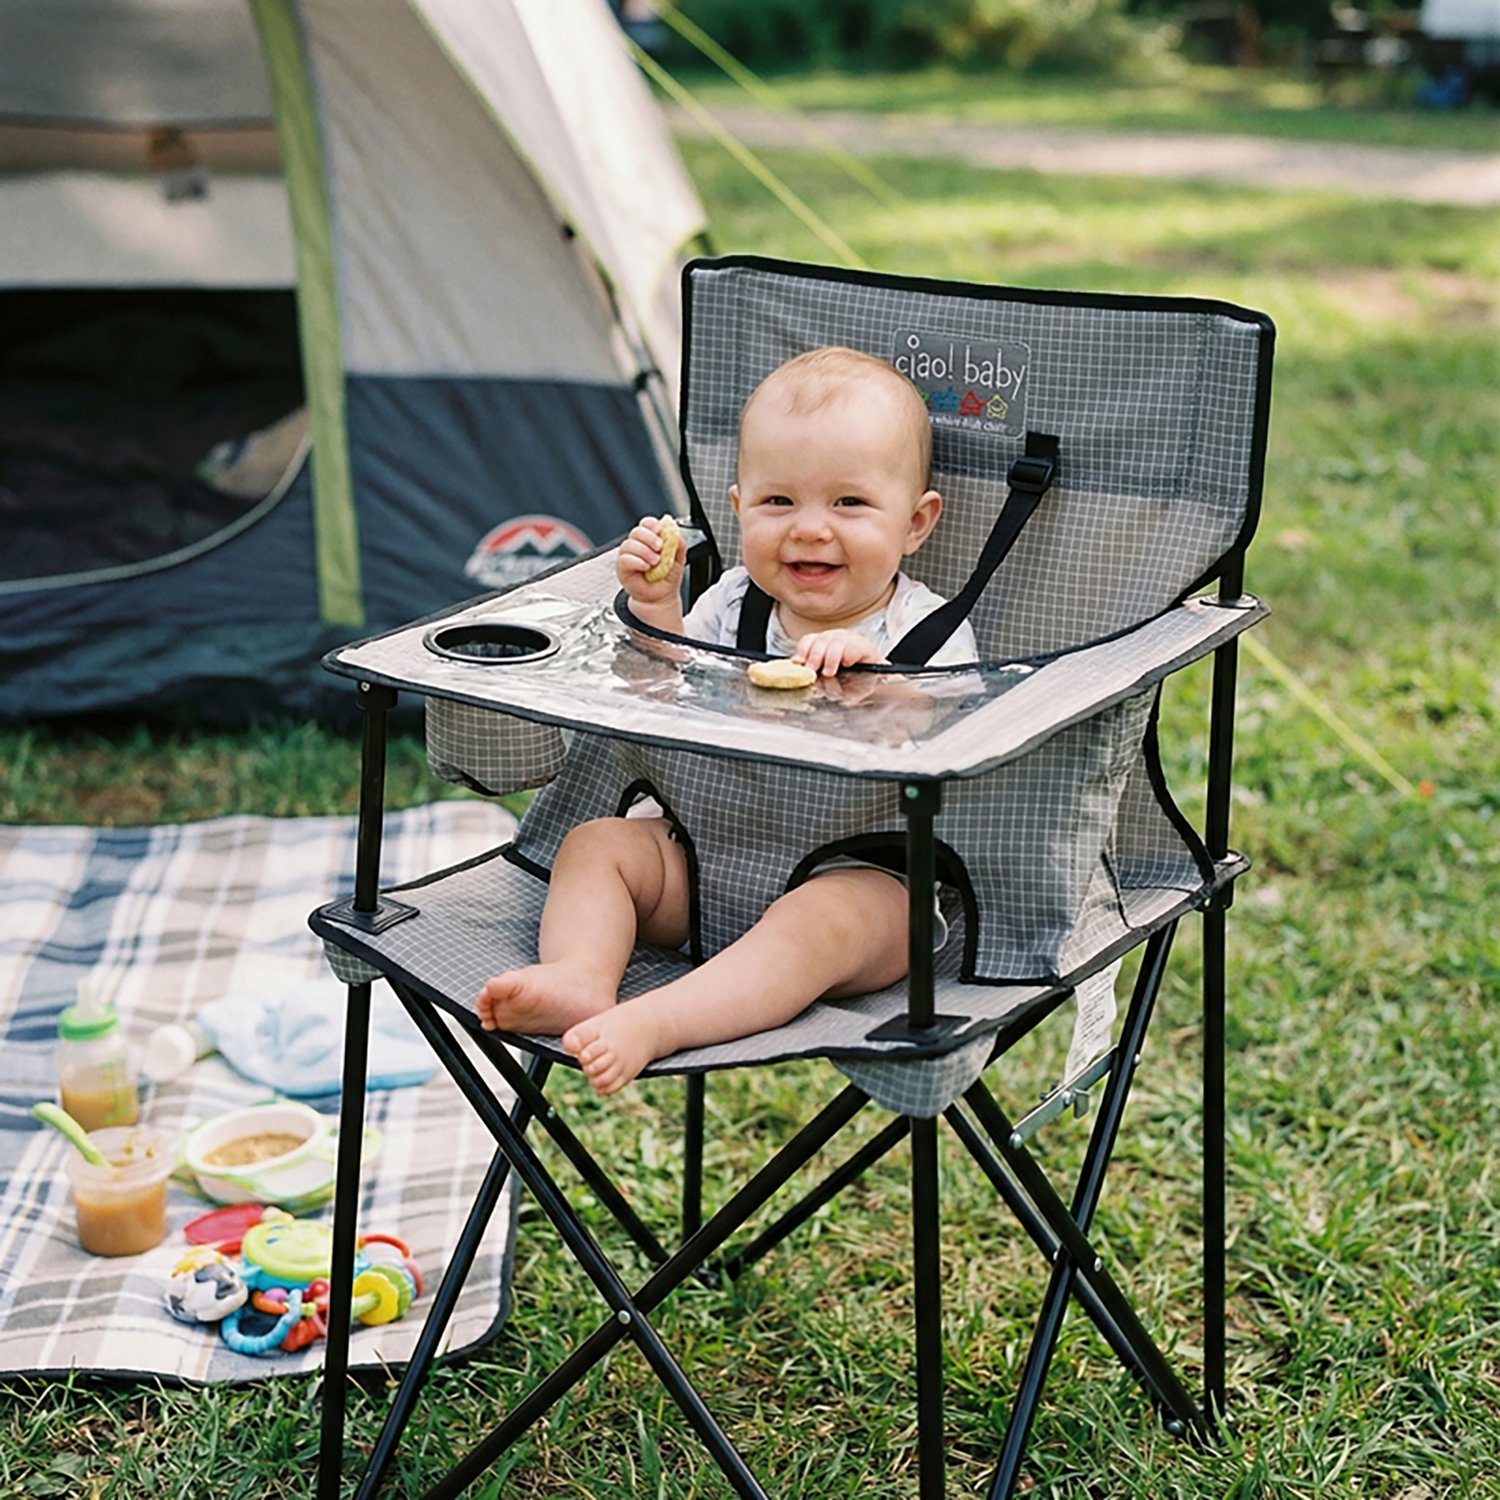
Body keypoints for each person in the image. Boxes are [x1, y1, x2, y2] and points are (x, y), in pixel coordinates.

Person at [475, 346, 977, 1094]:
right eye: (779, 503)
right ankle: (580, 975)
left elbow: (953, 736)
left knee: (820, 921)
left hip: (870, 877)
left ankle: (660, 1022)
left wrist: (879, 685)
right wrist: (656, 609)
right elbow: (657, 697)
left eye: (849, 504)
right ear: (738, 509)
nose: (809, 529)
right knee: (599, 844)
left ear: (915, 522)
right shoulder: (731, 605)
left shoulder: (928, 635)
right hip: (713, 854)